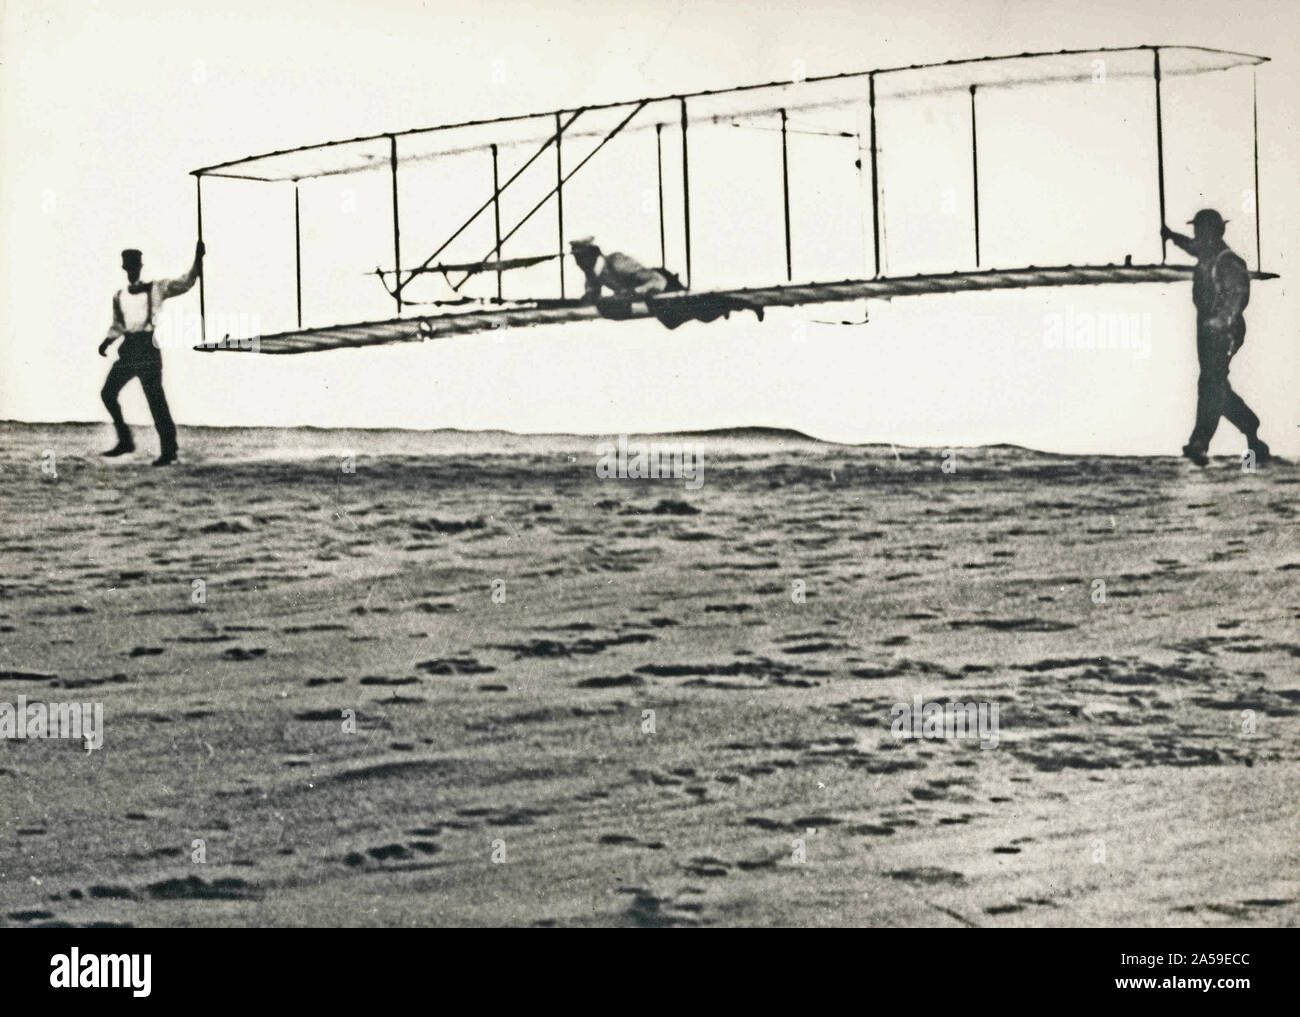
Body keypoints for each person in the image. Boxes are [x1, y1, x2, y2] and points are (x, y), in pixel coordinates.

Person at [1162, 210, 1269, 467]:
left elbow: (1237, 296)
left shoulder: (1227, 260)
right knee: (1216, 384)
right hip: (1209, 328)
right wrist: (1171, 236)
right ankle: (1251, 429)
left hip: (1222, 331)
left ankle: (1200, 442)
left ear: (1212, 232)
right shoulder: (1207, 253)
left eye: (1199, 230)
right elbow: (1192, 247)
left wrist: (1220, 322)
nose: (1196, 235)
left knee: (1210, 383)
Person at [99, 242, 204, 465]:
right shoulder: (119, 296)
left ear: (140, 266)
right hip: (129, 349)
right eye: (128, 267)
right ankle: (125, 441)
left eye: (135, 266)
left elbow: (186, 282)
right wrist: (107, 342)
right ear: (125, 269)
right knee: (108, 393)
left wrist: (197, 259)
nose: (132, 271)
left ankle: (169, 451)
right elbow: (118, 324)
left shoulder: (156, 288)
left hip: (148, 348)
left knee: (156, 400)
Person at [569, 238, 763, 329]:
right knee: (674, 320)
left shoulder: (616, 262)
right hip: (653, 296)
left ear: (592, 256)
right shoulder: (592, 272)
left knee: (700, 312)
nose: (577, 264)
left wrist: (629, 294)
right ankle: (725, 306)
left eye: (580, 259)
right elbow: (592, 295)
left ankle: (741, 303)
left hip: (664, 286)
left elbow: (656, 280)